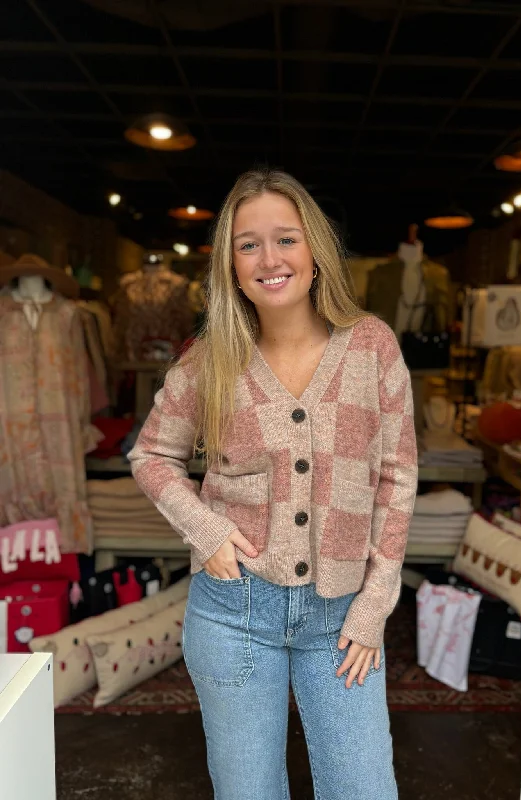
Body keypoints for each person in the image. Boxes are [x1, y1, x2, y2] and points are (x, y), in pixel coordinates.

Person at [128, 169, 418, 799]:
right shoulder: (210, 360)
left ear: (315, 249)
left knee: (364, 789)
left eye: (286, 238)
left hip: (343, 620)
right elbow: (151, 454)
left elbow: (397, 478)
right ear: (230, 266)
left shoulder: (371, 347)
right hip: (235, 616)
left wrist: (374, 606)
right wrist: (206, 531)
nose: (269, 258)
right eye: (247, 244)